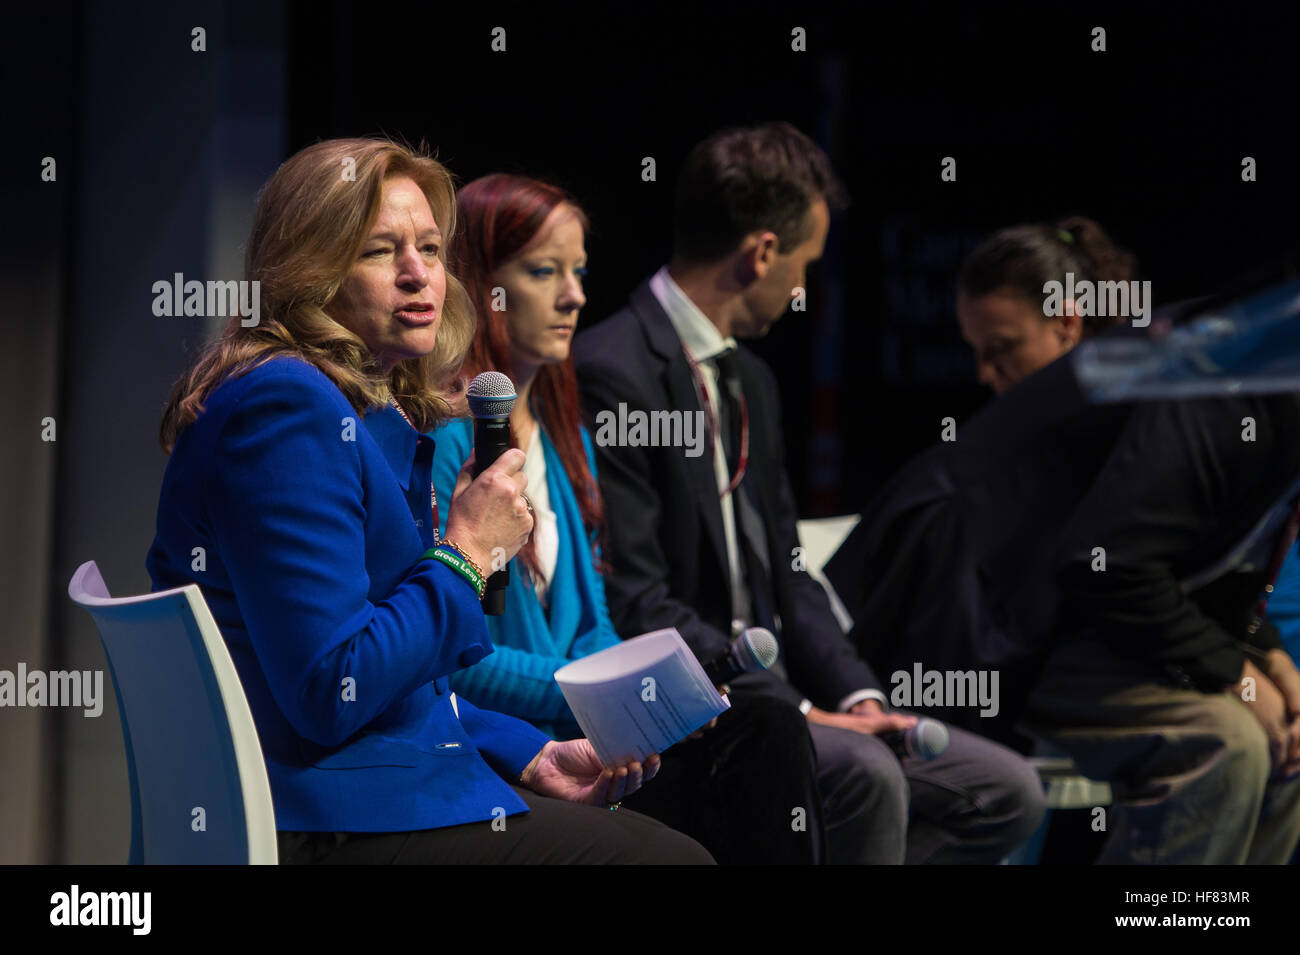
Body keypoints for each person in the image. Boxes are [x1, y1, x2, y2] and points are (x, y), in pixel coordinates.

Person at [146, 137, 712, 865]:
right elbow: (334, 688)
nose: (419, 274)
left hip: (377, 788)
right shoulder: (285, 407)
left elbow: (411, 684)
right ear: (308, 271)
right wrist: (468, 553)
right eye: (381, 251)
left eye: (432, 249)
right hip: (327, 816)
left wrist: (530, 751)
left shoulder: (361, 410)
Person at [573, 121, 1045, 864]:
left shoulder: (751, 379)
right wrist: (795, 706)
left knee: (1007, 790)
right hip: (711, 706)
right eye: (805, 264)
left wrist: (859, 698)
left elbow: (792, 570)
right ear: (762, 252)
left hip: (789, 700)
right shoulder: (612, 369)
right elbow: (637, 596)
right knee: (867, 776)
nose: (803, 286)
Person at [423, 172, 829, 864]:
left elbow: (597, 621)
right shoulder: (441, 435)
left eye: (579, 271)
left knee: (757, 727)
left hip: (583, 729)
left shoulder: (561, 427)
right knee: (750, 758)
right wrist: (596, 692)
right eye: (544, 271)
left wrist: (645, 692)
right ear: (478, 282)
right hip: (511, 744)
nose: (575, 295)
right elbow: (452, 661)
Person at [955, 217, 1138, 394]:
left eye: (1001, 346)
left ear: (1067, 323)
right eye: (975, 348)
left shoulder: (1144, 418)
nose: (984, 375)